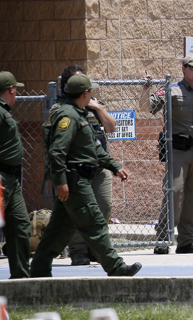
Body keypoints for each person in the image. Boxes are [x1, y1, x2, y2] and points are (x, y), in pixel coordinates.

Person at [30, 74, 141, 277]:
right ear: (85, 93)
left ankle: (39, 268)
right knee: (95, 222)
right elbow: (57, 152)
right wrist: (61, 182)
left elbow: (93, 149)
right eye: (91, 91)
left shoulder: (78, 113)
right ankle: (116, 267)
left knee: (59, 229)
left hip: (78, 179)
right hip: (74, 181)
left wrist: (114, 167)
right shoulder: (68, 116)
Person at [144, 54, 193, 255]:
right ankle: (163, 239)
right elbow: (149, 107)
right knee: (174, 192)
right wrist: (146, 90)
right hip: (178, 151)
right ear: (183, 69)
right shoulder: (171, 89)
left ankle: (186, 241)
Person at [53, 65, 117, 266]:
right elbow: (58, 147)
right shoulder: (61, 109)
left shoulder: (93, 105)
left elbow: (111, 128)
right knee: (77, 212)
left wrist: (97, 107)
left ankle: (93, 249)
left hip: (99, 167)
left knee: (104, 207)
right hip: (77, 170)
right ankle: (78, 251)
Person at [0, 71, 30, 279]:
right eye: (16, 89)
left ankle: (20, 277)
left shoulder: (2, 109)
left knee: (20, 225)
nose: (17, 92)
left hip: (11, 180)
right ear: (11, 89)